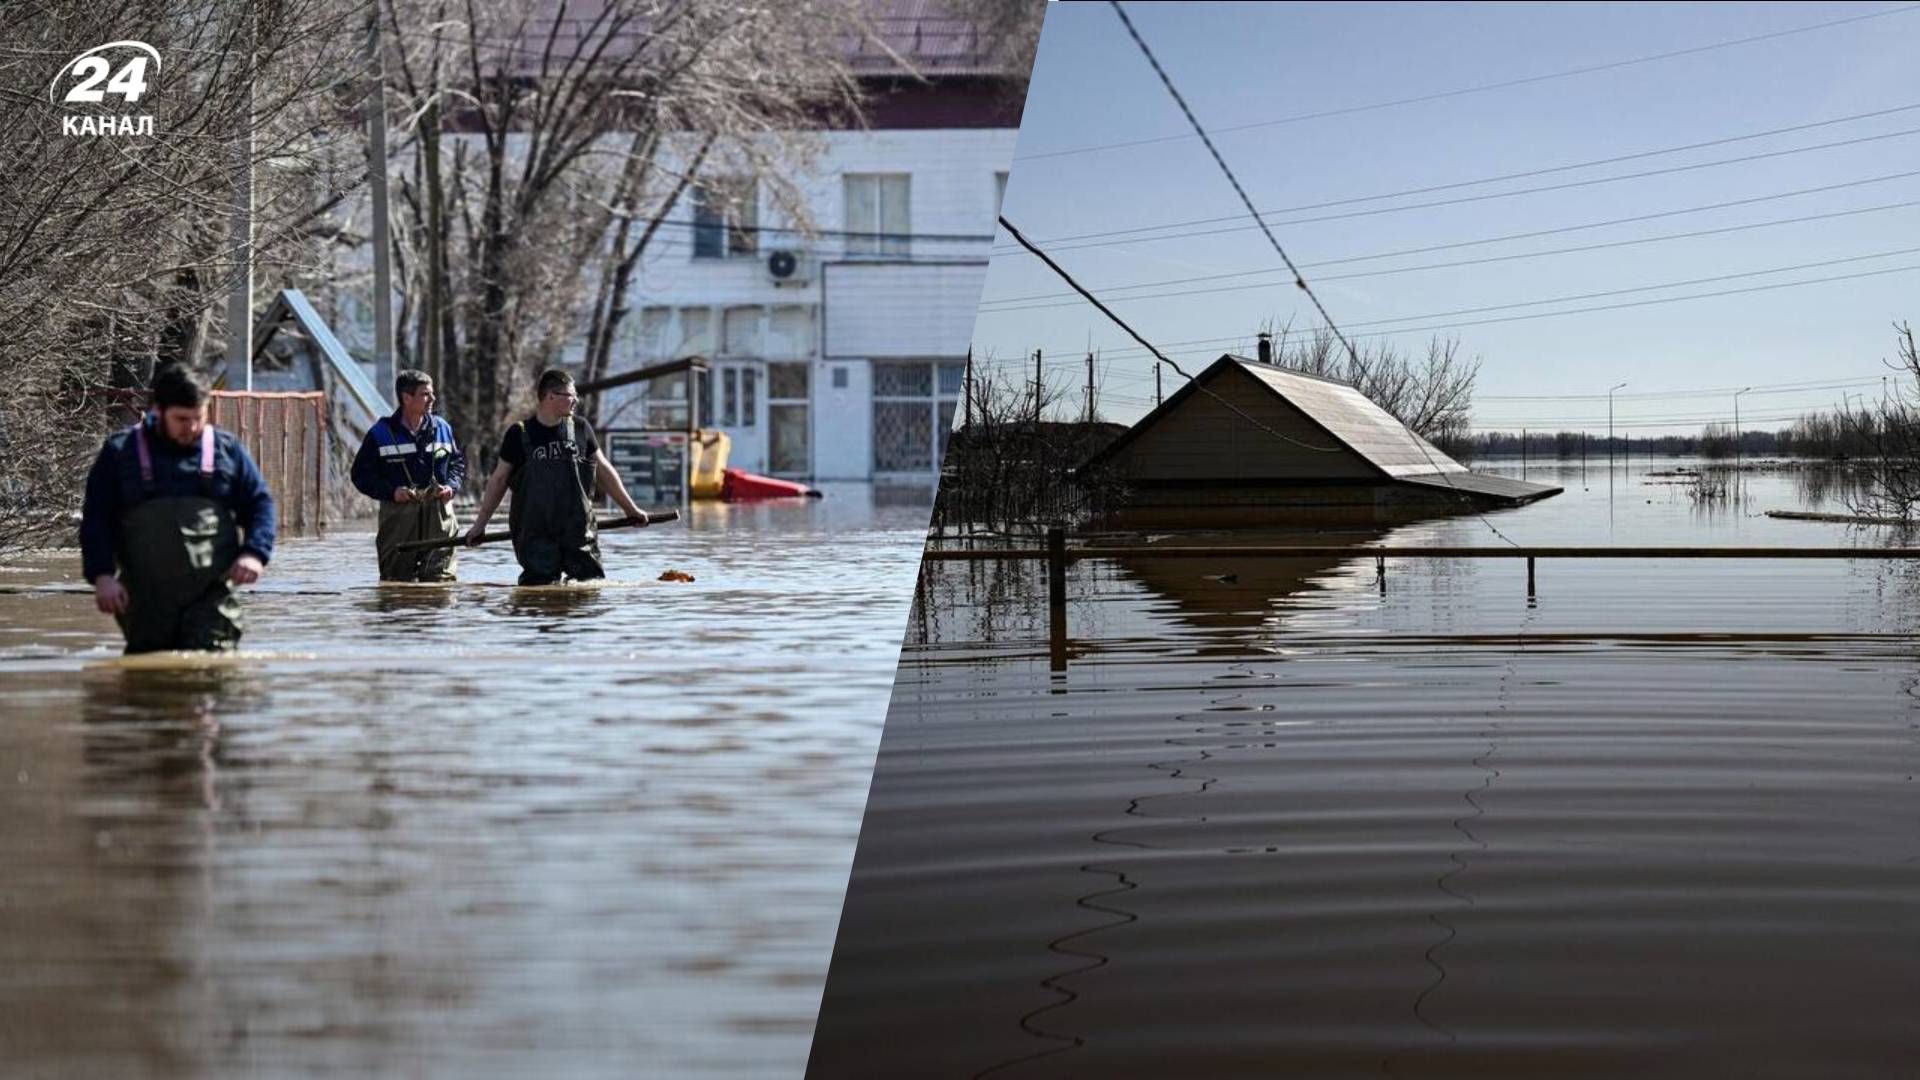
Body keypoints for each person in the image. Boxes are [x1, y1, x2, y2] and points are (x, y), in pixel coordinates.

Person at [80, 365, 276, 654]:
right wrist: (102, 576)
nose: (192, 427)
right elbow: (97, 520)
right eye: (182, 419)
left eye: (199, 418)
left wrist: (254, 554)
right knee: (147, 670)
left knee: (210, 664)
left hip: (211, 595)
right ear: (158, 410)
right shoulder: (120, 453)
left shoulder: (227, 451)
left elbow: (260, 504)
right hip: (144, 598)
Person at [464, 368, 649, 585]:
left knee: (589, 587)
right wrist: (480, 525)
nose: (576, 401)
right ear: (551, 396)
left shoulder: (581, 428)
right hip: (535, 534)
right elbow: (498, 481)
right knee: (537, 591)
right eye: (571, 395)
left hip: (579, 531)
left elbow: (605, 471)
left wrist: (630, 509)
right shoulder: (519, 433)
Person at [350, 369, 466, 582]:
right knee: (396, 582)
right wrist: (392, 492)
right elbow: (360, 475)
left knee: (441, 583)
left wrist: (451, 486)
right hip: (398, 521)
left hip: (439, 519)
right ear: (406, 398)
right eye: (425, 394)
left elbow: (457, 464)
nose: (432, 399)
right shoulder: (380, 433)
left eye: (431, 393)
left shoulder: (442, 428)